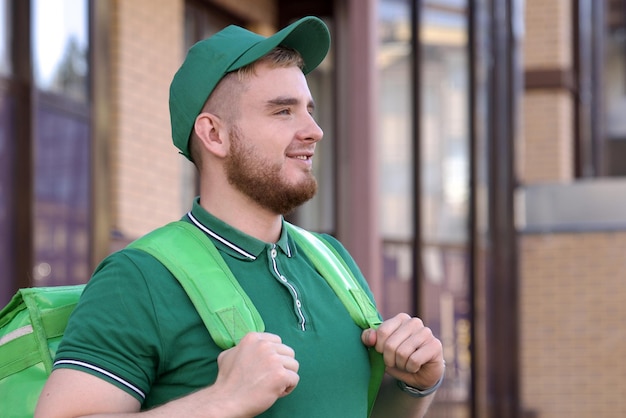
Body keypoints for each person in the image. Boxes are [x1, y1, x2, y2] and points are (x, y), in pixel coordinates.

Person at [35, 16, 444, 418]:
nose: (314, 130)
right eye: (283, 111)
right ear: (214, 134)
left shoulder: (332, 260)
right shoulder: (138, 278)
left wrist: (414, 386)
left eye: (309, 109)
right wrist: (219, 402)